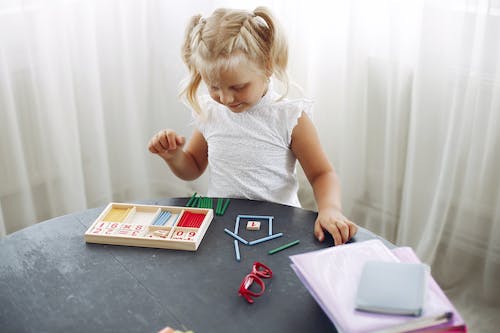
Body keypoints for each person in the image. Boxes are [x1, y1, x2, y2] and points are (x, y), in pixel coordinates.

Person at [148, 6, 357, 245]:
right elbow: (193, 167)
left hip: (279, 229)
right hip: (222, 227)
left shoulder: (289, 117)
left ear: (267, 66)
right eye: (214, 87)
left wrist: (330, 209)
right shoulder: (212, 112)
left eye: (237, 87)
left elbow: (322, 174)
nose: (225, 99)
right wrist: (173, 156)